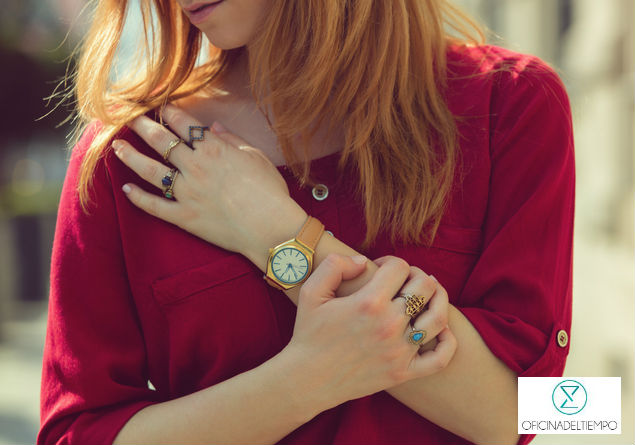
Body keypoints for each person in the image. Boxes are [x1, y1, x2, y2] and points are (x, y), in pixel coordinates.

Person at [38, 0, 574, 444]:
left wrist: (274, 232)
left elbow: (544, 414)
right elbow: (76, 433)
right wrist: (305, 381)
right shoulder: (140, 159)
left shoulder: (512, 105)